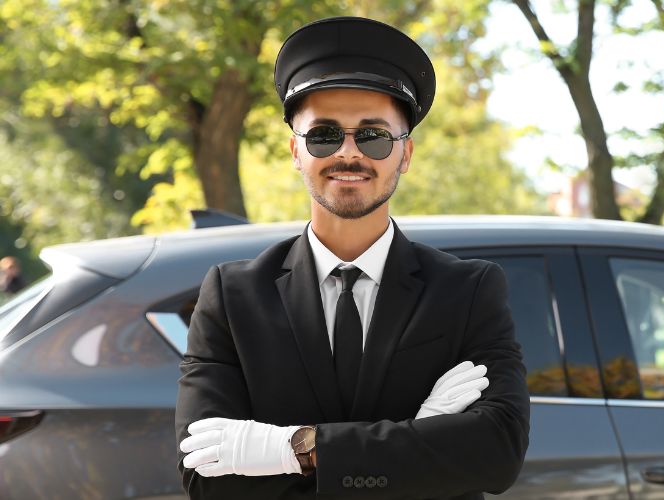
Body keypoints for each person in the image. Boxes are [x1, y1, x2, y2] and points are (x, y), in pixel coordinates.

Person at [174, 16, 530, 500]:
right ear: (296, 152)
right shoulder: (232, 297)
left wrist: (293, 447)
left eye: (373, 136)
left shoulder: (468, 290)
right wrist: (417, 444)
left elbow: (497, 453)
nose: (348, 154)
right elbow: (205, 479)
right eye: (323, 135)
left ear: (405, 154)